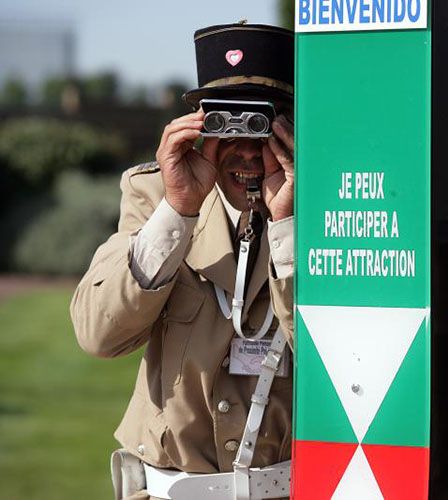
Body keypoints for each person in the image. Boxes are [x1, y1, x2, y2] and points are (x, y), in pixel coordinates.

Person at [70, 22, 295, 499]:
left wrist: (287, 224)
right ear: (197, 127)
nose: (247, 150)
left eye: (261, 124)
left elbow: (335, 360)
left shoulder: (325, 216)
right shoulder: (154, 194)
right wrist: (179, 210)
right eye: (225, 124)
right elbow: (97, 334)